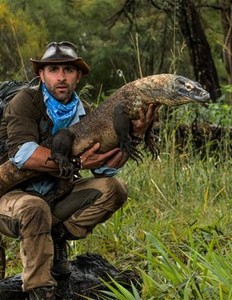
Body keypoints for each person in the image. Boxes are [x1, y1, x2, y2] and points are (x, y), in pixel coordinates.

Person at [0, 41, 154, 299]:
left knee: (113, 189)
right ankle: (40, 291)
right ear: (41, 74)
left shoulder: (85, 113)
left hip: (55, 194)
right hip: (11, 194)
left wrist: (134, 135)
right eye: (53, 69)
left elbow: (105, 169)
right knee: (33, 208)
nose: (61, 77)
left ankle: (56, 237)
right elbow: (23, 155)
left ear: (78, 76)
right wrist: (77, 164)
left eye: (68, 70)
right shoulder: (25, 101)